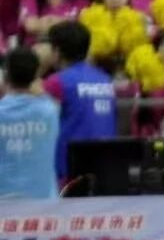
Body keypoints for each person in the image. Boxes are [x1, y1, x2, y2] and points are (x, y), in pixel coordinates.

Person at [42, 20, 117, 182]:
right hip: (105, 170)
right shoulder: (105, 80)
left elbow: (43, 127)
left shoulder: (56, 82)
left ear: (57, 51)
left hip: (68, 174)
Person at [0, 46, 59, 198]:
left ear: (5, 74)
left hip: (4, 205)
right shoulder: (51, 111)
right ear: (36, 75)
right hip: (46, 205)